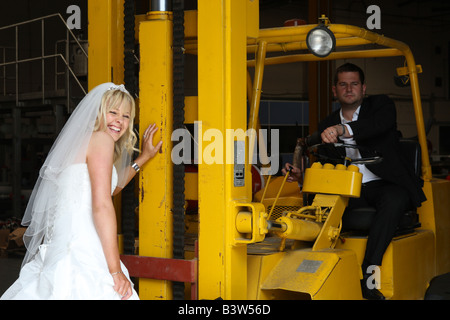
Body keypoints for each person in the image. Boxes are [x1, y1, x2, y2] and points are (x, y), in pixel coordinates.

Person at [1, 83, 162, 300]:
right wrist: (115, 270)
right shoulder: (101, 140)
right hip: (83, 246)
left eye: (125, 115)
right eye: (112, 112)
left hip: (66, 244)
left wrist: (143, 158)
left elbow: (111, 188)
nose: (120, 121)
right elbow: (102, 204)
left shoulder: (85, 142)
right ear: (99, 113)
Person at [282, 63, 426, 300]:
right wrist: (302, 176)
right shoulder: (325, 123)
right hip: (348, 189)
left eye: (354, 83)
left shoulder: (381, 107)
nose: (349, 89)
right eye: (343, 84)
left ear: (363, 88)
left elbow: (377, 126)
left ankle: (368, 274)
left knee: (395, 198)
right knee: (318, 204)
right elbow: (325, 162)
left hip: (384, 182)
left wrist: (342, 129)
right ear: (334, 90)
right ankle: (305, 269)